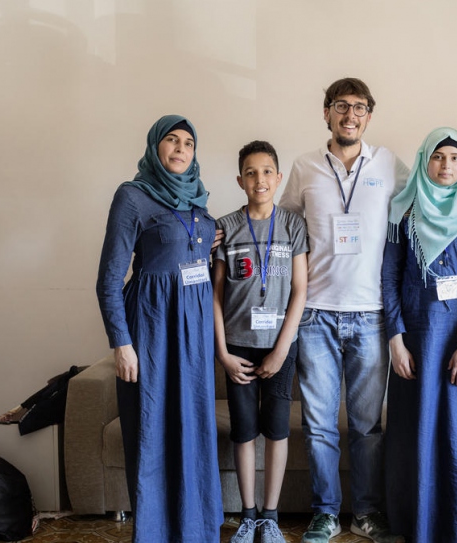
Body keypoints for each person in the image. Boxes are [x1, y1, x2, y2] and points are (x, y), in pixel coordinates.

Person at [278, 77, 408, 543]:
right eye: (340, 106)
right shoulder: (305, 166)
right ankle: (325, 513)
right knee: (318, 426)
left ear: (369, 115)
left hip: (372, 315)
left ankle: (366, 513)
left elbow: (427, 204)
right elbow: (282, 225)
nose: (350, 115)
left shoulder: (389, 164)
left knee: (368, 427)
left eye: (358, 107)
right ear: (326, 113)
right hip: (315, 314)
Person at [96, 115, 224, 542]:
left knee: (193, 427)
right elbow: (109, 280)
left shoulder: (199, 202)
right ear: (155, 146)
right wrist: (121, 343)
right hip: (150, 329)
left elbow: (195, 250)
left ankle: (195, 530)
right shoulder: (133, 197)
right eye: (172, 140)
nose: (181, 148)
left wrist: (211, 236)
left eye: (189, 142)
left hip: (194, 335)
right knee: (151, 428)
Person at [381, 127, 457, 542]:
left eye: (454, 157)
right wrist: (395, 339)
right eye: (437, 157)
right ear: (424, 162)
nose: (446, 165)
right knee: (417, 432)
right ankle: (417, 524)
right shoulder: (404, 212)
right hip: (416, 342)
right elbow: (389, 277)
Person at [212, 141, 308, 543]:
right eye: (250, 172)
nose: (259, 179)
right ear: (240, 180)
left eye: (267, 171)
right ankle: (248, 515)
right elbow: (216, 296)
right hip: (238, 347)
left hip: (280, 346)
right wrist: (222, 353)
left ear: (279, 177)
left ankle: (270, 516)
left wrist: (282, 349)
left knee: (277, 430)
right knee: (244, 431)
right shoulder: (226, 226)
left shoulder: (293, 225)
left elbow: (300, 290)